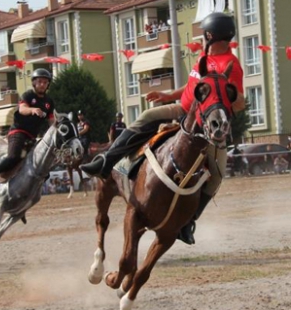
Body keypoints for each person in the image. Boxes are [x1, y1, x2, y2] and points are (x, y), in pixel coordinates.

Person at [81, 12, 244, 245]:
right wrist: (169, 95)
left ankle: (188, 222)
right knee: (146, 116)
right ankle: (106, 162)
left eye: (203, 35)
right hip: (182, 110)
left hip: (208, 125)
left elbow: (240, 102)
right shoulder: (202, 60)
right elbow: (190, 88)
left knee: (217, 174)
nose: (201, 39)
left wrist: (225, 93)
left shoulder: (231, 65)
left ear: (209, 35)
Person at [0, 68, 55, 192]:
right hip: (18, 132)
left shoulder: (49, 102)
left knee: (43, 164)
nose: (43, 84)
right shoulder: (28, 95)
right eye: (40, 82)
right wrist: (32, 109)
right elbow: (22, 109)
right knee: (13, 156)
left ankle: (30, 190)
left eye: (45, 82)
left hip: (32, 137)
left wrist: (58, 131)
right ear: (34, 83)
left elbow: (51, 121)